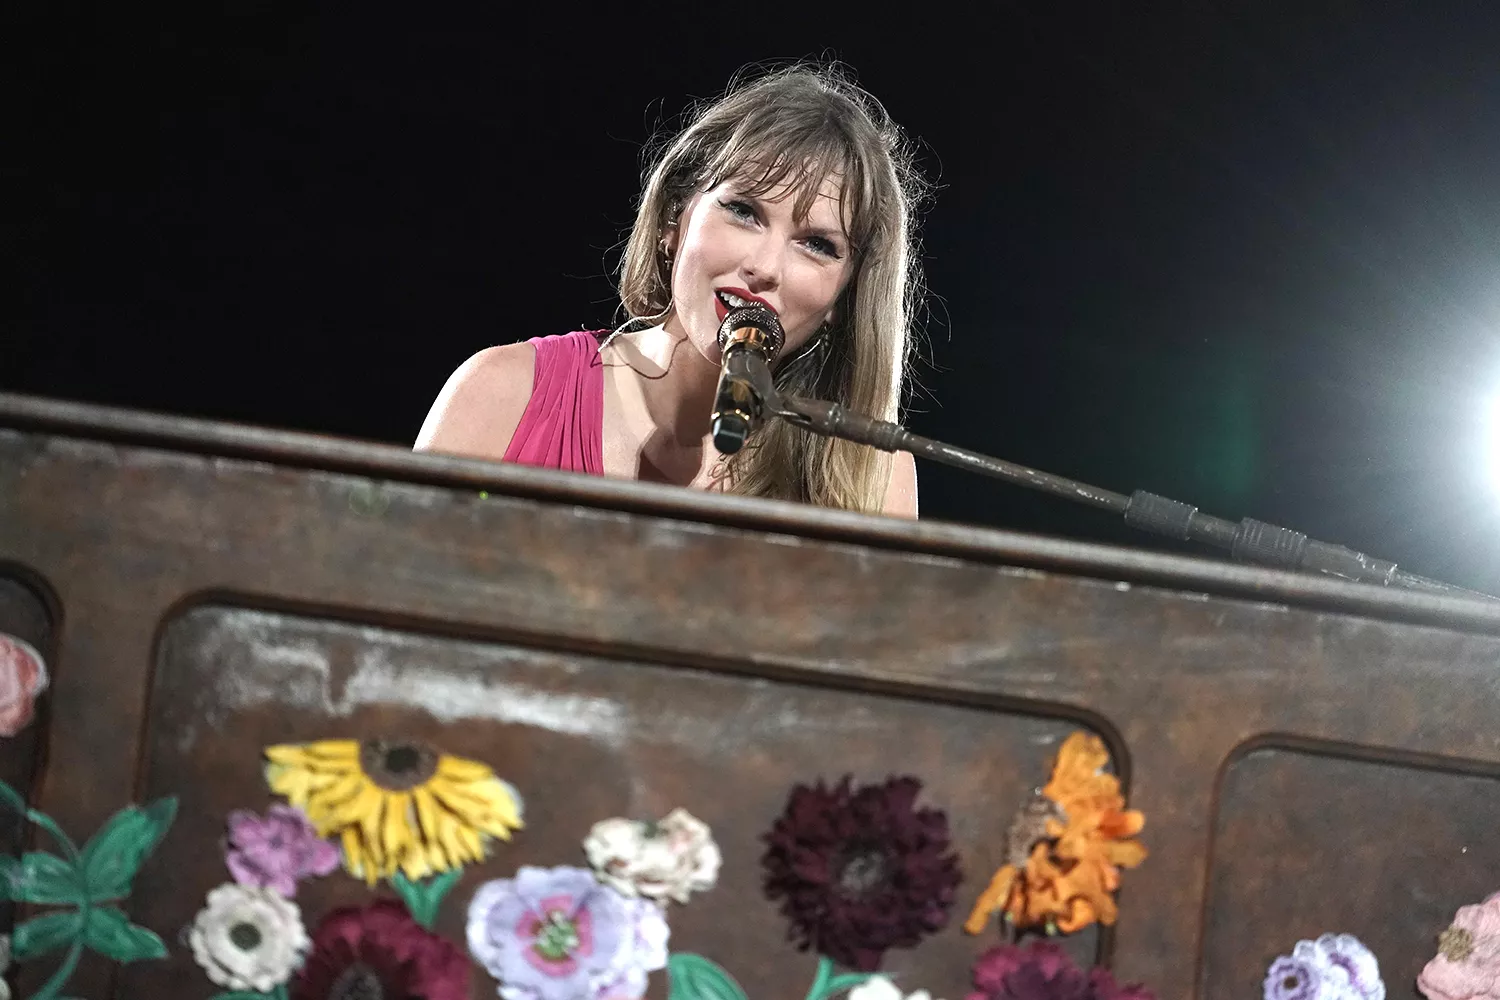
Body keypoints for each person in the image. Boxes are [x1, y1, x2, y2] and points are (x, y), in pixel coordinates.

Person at [415, 63, 928, 517]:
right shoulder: (502, 395)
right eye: (744, 211)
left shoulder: (871, 476)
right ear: (673, 220)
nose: (765, 267)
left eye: (816, 244)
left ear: (846, 295)